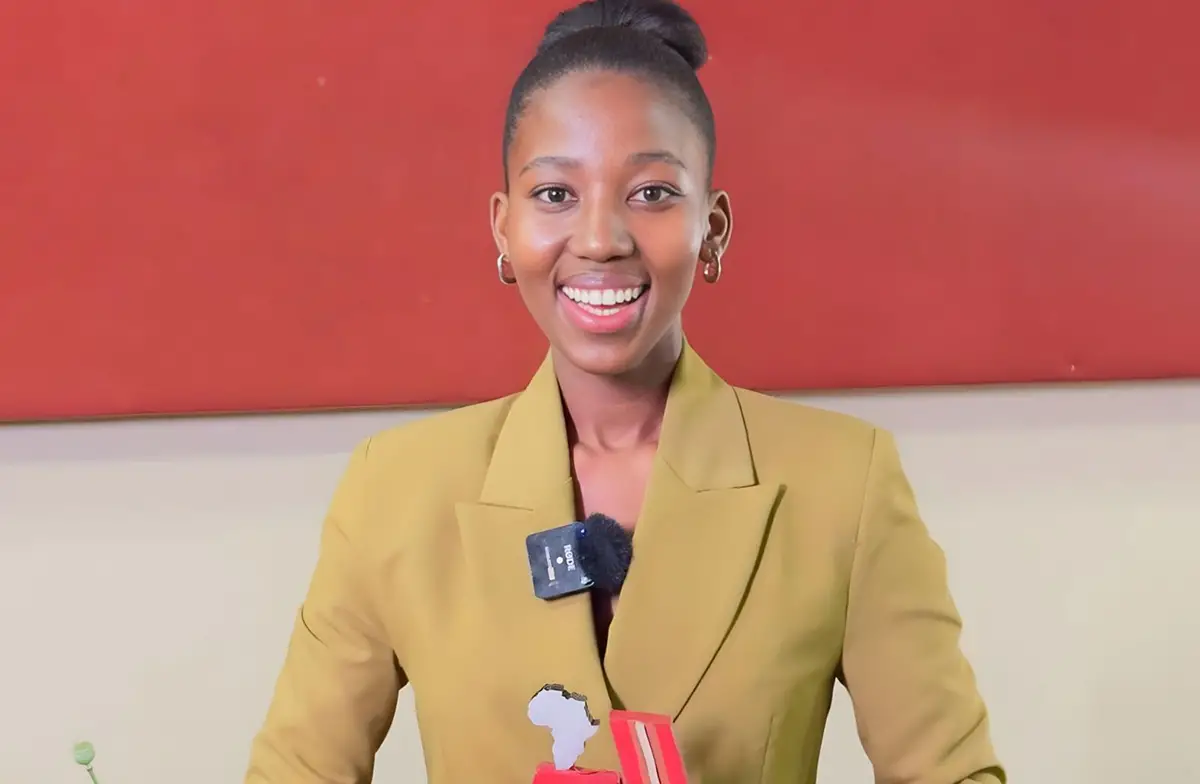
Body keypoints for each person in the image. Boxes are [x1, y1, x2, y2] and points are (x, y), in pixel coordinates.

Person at [244, 0, 1006, 781]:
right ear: (503, 228)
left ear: (713, 228)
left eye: (651, 193)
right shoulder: (395, 489)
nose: (601, 239)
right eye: (555, 195)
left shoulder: (843, 484)